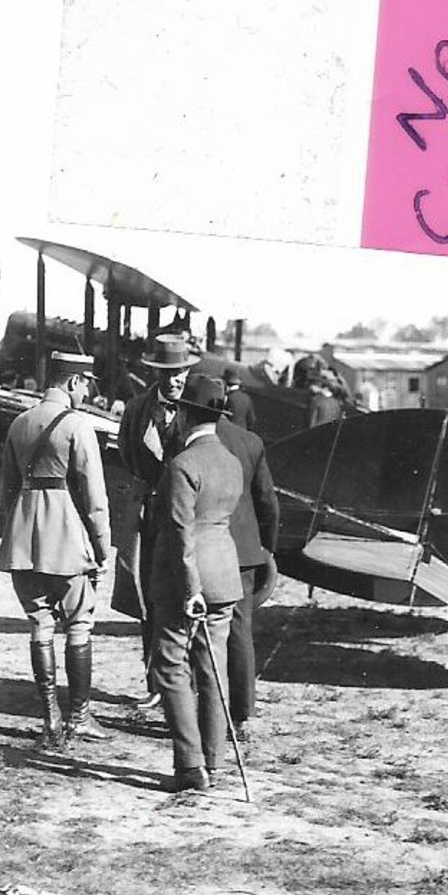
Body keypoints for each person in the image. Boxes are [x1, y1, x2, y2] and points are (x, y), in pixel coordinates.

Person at [0, 351, 113, 749]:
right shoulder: (78, 427)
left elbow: (5, 492)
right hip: (66, 539)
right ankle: (79, 718)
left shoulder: (19, 422)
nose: (87, 392)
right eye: (86, 384)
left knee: (40, 624)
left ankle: (50, 718)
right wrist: (102, 548)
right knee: (79, 622)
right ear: (74, 382)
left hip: (23, 539)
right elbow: (96, 501)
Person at [144, 375, 245, 791]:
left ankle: (189, 768)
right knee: (212, 668)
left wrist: (190, 590)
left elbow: (181, 533)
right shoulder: (232, 461)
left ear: (184, 414)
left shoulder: (183, 465)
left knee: (170, 666)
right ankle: (214, 761)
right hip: (225, 573)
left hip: (186, 579)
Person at [115, 337, 197, 708]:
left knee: (188, 596)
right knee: (149, 598)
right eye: (167, 373)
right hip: (150, 519)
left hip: (189, 519)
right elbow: (128, 455)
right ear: (155, 373)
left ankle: (187, 683)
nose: (175, 380)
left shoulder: (198, 411)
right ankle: (156, 683)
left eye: (180, 372)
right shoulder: (136, 410)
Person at [210, 412, 279, 741]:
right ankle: (244, 712)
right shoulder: (251, 441)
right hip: (245, 550)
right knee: (240, 628)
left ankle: (207, 713)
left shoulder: (190, 439)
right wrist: (268, 546)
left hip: (206, 546)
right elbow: (267, 499)